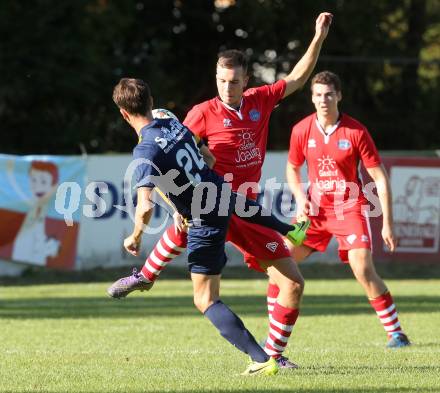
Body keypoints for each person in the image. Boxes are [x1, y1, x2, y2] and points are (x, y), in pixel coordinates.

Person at [108, 12, 333, 368]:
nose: (227, 88)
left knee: (291, 283)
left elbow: (296, 78)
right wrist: (180, 198)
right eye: (222, 81)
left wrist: (317, 38)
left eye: (234, 82)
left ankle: (272, 355)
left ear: (246, 81)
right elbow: (175, 160)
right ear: (216, 78)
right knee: (189, 223)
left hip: (240, 206)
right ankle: (144, 275)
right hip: (214, 202)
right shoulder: (200, 113)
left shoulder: (260, 100)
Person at [285, 70, 410, 348]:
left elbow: (380, 177)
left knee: (363, 268)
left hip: (350, 207)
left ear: (339, 96)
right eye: (318, 95)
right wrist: (298, 196)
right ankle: (275, 331)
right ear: (312, 98)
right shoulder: (301, 130)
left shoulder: (356, 131)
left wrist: (388, 223)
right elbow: (292, 168)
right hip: (314, 212)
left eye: (329, 94)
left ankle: (396, 333)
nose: (323, 100)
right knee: (282, 258)